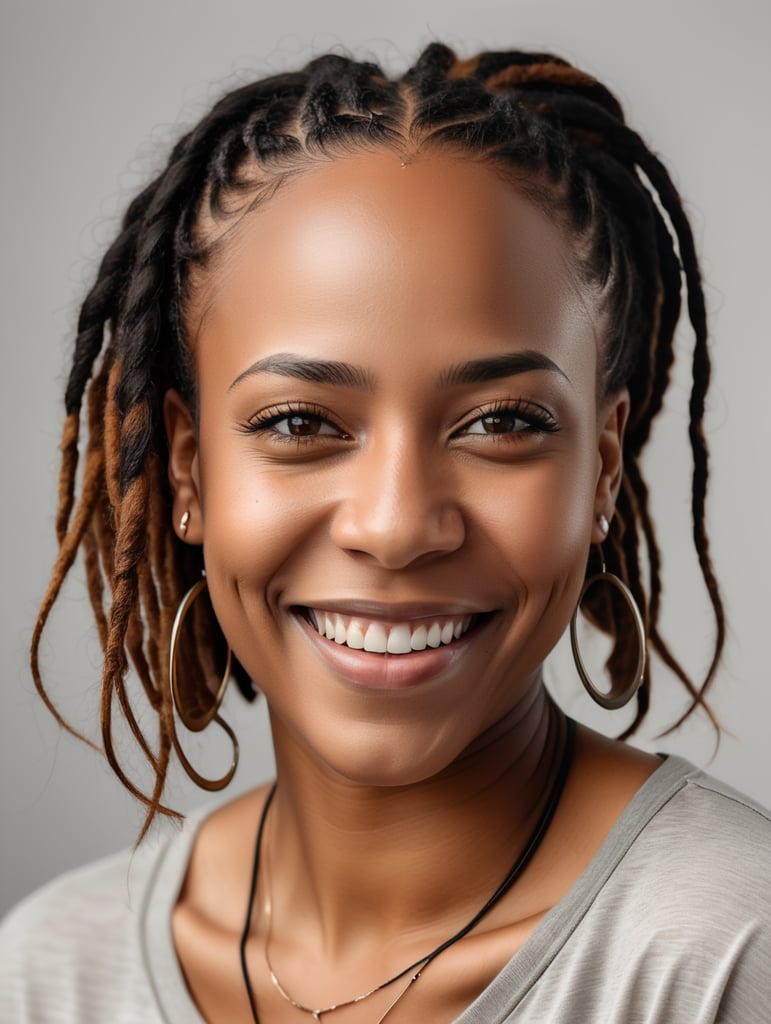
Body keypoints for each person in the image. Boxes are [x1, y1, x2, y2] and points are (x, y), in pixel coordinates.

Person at [1, 41, 769, 1023]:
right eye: (299, 423)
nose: (398, 525)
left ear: (604, 470)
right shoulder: (51, 974)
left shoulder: (727, 955)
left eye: (502, 422)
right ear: (188, 470)